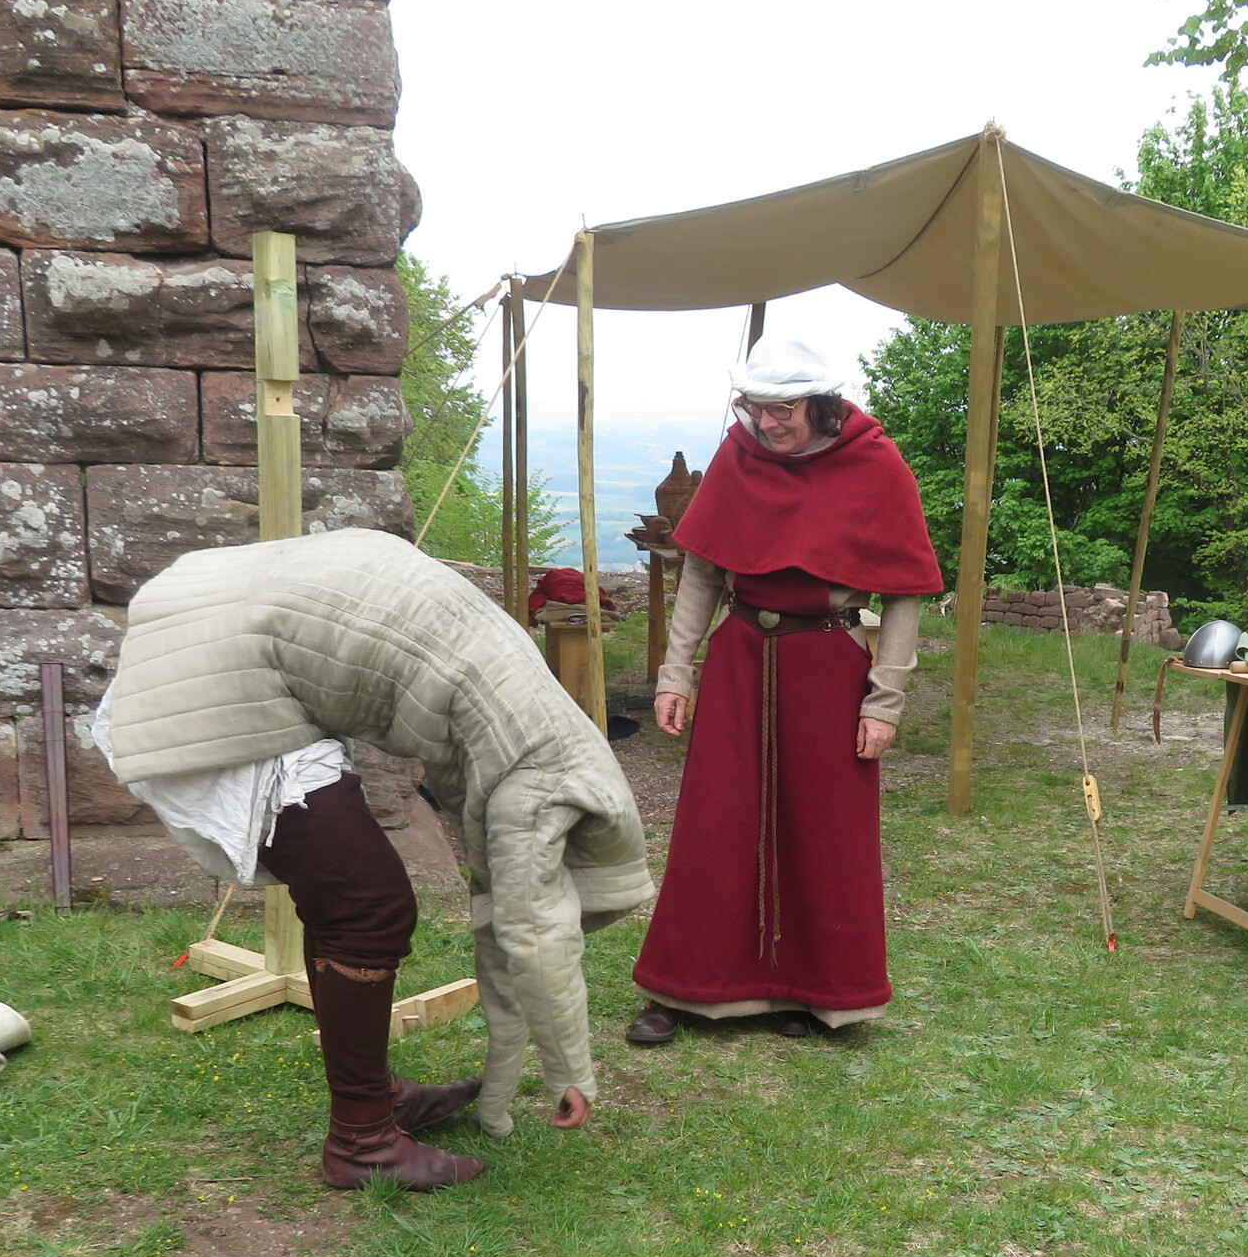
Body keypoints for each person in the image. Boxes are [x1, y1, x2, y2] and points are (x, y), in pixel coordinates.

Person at [100, 528, 651, 1191]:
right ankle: (361, 1139)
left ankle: (377, 1097)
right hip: (216, 676)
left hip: (208, 616)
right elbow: (531, 930)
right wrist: (571, 1072)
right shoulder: (544, 771)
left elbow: (511, 910)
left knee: (347, 904)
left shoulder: (540, 717)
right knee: (367, 909)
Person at [625, 338, 941, 1045]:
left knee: (823, 830)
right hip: (739, 657)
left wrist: (883, 701)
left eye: (783, 410)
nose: (767, 424)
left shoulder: (875, 464)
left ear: (820, 404)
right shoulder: (739, 456)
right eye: (756, 408)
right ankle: (681, 988)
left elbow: (903, 594)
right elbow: (703, 571)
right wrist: (677, 673)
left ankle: (812, 990)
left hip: (828, 663)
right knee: (715, 821)